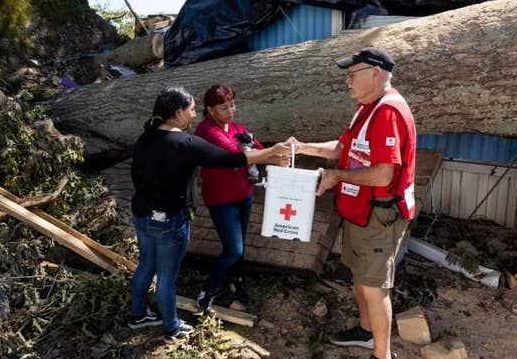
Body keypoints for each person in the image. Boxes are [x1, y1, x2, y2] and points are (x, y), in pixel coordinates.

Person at [128, 86, 290, 343]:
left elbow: (135, 176)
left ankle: (137, 315)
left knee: (146, 265)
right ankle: (171, 328)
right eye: (191, 110)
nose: (194, 115)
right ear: (178, 113)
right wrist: (271, 152)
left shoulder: (144, 139)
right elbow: (229, 159)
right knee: (167, 277)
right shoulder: (186, 143)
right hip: (171, 220)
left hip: (143, 214)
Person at [288, 47, 416, 359]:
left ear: (375, 73)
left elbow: (384, 175)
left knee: (374, 288)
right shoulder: (365, 108)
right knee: (361, 281)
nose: (348, 80)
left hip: (379, 215)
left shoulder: (388, 112)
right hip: (361, 212)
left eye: (352, 73)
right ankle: (365, 331)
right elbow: (341, 148)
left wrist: (336, 177)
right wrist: (302, 146)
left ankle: (382, 355)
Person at [193, 84, 263, 311]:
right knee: (234, 248)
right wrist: (257, 152)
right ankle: (208, 291)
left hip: (244, 194)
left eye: (232, 105)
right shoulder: (206, 131)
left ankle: (236, 281)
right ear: (210, 110)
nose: (231, 110)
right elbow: (236, 155)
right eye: (224, 107)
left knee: (238, 244)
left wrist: (270, 151)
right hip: (221, 199)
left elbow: (257, 148)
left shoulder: (236, 127)